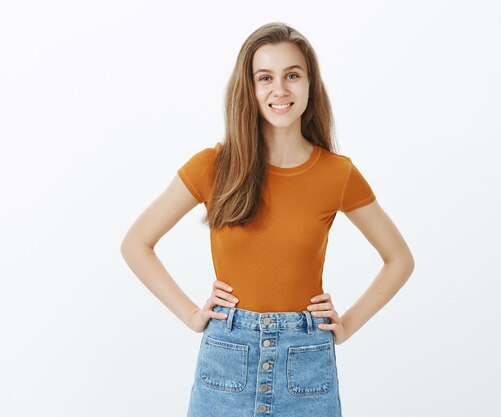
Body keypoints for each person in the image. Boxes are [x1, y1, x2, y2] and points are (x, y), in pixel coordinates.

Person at [120, 22, 414, 417]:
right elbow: (136, 244)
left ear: (310, 84)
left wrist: (347, 325)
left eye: (292, 75)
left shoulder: (337, 174)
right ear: (250, 88)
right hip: (227, 358)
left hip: (307, 361)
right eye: (265, 78)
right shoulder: (213, 166)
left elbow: (399, 259)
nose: (280, 89)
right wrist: (192, 314)